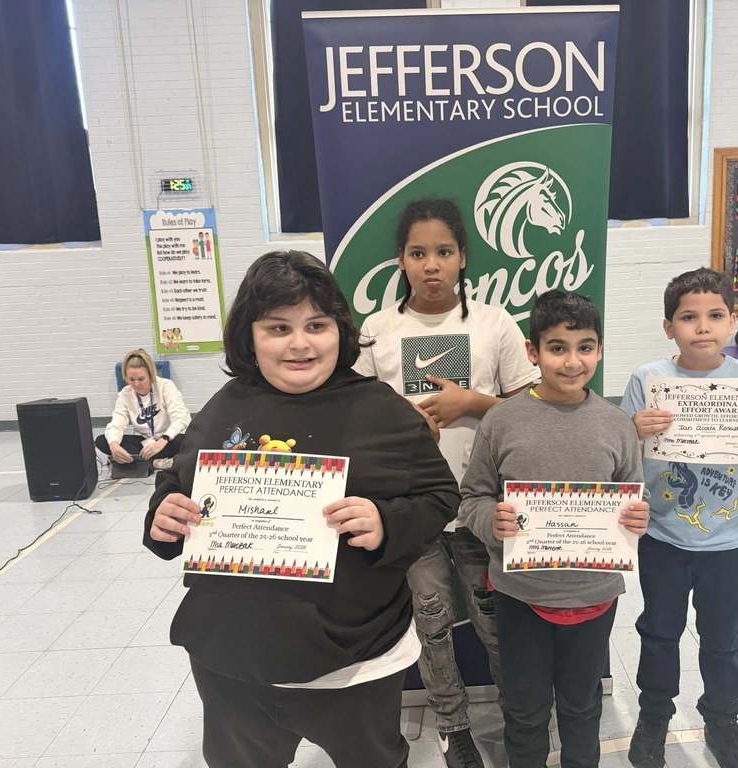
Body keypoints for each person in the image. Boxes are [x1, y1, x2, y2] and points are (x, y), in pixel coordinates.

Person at [143, 251, 459, 768]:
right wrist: (164, 516)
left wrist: (386, 524)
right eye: (278, 327)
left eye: (317, 324)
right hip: (233, 659)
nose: (299, 343)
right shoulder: (226, 404)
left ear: (340, 330)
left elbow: (441, 496)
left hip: (353, 661)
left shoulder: (381, 410)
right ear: (250, 336)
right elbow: (179, 483)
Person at [354, 198, 538, 768]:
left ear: (462, 258)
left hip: (483, 506)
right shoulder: (377, 331)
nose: (431, 264)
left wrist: (473, 403)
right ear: (400, 262)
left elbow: (532, 407)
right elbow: (357, 419)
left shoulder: (494, 323)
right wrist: (404, 428)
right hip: (411, 510)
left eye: (443, 252)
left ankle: (519, 718)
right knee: (431, 625)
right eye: (417, 253)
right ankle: (453, 727)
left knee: (496, 625)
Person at [458, 290, 650, 768]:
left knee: (582, 708)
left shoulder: (617, 425)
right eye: (557, 348)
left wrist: (637, 519)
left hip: (593, 594)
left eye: (585, 347)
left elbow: (633, 494)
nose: (572, 362)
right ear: (532, 351)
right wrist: (491, 521)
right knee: (524, 711)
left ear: (600, 350)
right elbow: (473, 497)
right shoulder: (501, 421)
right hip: (520, 595)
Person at [620, 268, 738, 768]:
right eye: (689, 317)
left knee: (723, 640)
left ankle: (722, 721)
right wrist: (633, 430)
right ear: (668, 326)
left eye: (715, 315)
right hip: (663, 537)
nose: (703, 327)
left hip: (731, 542)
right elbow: (624, 463)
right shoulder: (648, 380)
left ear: (733, 322)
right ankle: (654, 717)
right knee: (658, 632)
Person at [96, 348, 190, 470]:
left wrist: (163, 440)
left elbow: (181, 419)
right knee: (102, 440)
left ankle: (143, 462)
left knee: (187, 441)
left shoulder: (166, 386)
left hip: (169, 440)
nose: (136, 384)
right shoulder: (125, 395)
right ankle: (155, 462)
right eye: (131, 380)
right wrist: (114, 446)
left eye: (141, 379)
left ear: (151, 376)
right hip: (147, 443)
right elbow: (116, 424)